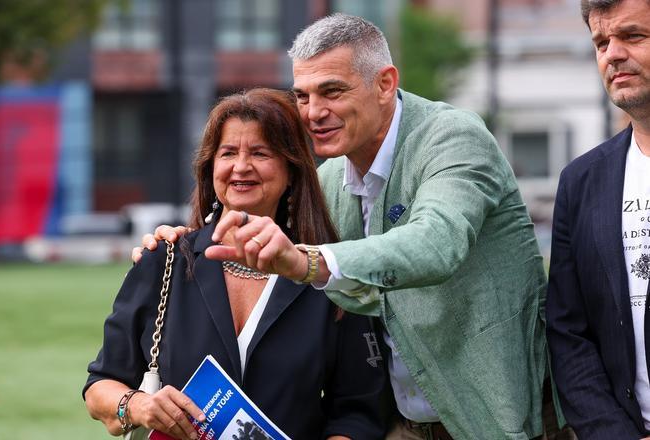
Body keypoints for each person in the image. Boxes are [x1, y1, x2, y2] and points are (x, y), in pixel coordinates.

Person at [136, 14, 554, 439]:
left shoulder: (453, 137)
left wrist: (306, 261)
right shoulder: (329, 180)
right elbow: (259, 220)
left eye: (332, 91)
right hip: (399, 426)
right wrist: (174, 245)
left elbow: (435, 243)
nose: (314, 113)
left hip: (499, 423)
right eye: (302, 96)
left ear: (386, 83)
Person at [84, 88, 388, 439]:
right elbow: (100, 386)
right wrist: (138, 405)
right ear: (211, 168)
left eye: (260, 153)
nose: (241, 167)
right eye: (228, 153)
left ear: (291, 171)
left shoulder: (326, 275)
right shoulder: (163, 260)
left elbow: (357, 412)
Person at [545, 0, 650, 438]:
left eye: (633, 36)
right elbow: (569, 332)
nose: (612, 54)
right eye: (601, 42)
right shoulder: (581, 181)